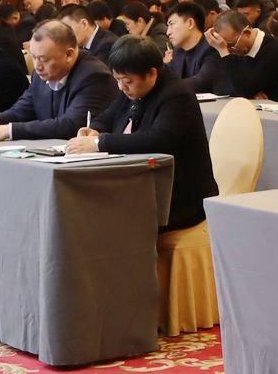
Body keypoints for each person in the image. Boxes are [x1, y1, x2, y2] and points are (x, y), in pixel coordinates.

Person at [66, 37, 218, 233]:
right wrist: (94, 129)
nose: (121, 87)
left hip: (179, 198)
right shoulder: (135, 88)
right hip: (142, 185)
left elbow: (158, 140)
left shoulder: (177, 95)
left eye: (127, 81)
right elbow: (109, 115)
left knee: (103, 218)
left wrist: (98, 143)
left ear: (152, 73)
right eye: (117, 80)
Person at [0, 21, 120, 141]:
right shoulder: (41, 73)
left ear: (69, 55)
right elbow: (24, 108)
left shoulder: (94, 76)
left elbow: (71, 125)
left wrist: (8, 130)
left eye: (44, 59)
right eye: (34, 57)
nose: (37, 66)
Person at [205, 8, 278, 100]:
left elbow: (241, 91)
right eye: (223, 46)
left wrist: (223, 51)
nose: (229, 50)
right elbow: (218, 86)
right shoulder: (239, 50)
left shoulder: (274, 50)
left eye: (231, 45)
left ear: (247, 33)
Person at [163, 1, 223, 89]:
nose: (168, 32)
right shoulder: (177, 52)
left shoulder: (211, 48)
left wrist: (169, 86)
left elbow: (201, 82)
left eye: (171, 24)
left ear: (190, 23)